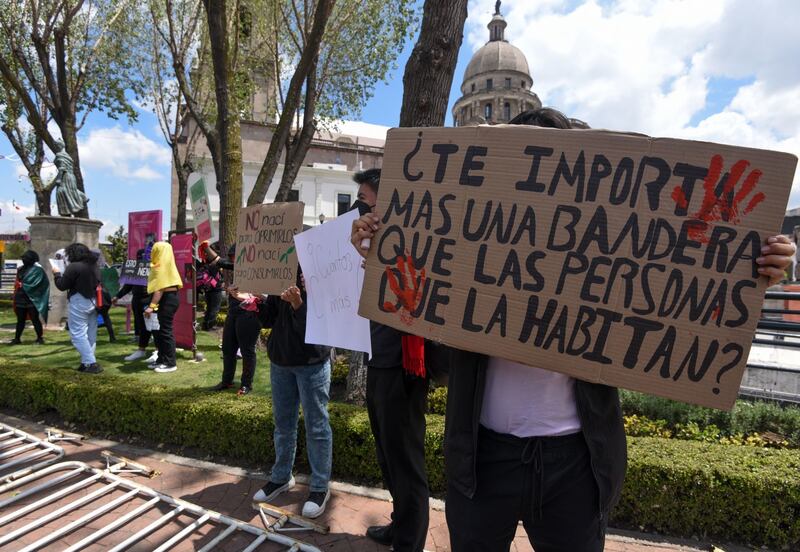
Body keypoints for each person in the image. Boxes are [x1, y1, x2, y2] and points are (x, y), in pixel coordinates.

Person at [350, 108, 798, 552]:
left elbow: (686, 296)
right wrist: (386, 258)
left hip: (576, 462)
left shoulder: (607, 258)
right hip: (481, 457)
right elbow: (438, 361)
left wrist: (756, 267)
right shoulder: (470, 260)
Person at [349, 168, 430, 551]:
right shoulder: (376, 241)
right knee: (387, 452)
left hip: (404, 363)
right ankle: (400, 525)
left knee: (405, 459)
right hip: (379, 357)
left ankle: (410, 542)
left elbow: (408, 289)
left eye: (367, 200)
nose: (361, 207)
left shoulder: (414, 241)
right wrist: (360, 247)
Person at [252, 271, 334, 520]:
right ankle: (281, 477)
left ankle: (320, 487)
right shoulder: (280, 269)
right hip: (281, 361)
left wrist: (299, 304)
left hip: (312, 362)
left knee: (317, 427)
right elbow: (269, 320)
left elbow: (325, 321)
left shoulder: (321, 269)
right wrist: (258, 300)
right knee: (283, 424)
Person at [199, 243, 260, 395]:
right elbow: (219, 260)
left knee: (247, 351)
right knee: (228, 348)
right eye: (231, 257)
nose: (232, 260)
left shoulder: (256, 268)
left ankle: (246, 384)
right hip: (233, 312)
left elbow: (220, 261)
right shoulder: (235, 267)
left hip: (249, 314)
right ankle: (227, 381)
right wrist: (205, 246)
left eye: (235, 257)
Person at [52, 243, 103, 374]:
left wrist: (57, 274)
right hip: (94, 301)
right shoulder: (93, 265)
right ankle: (86, 362)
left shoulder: (74, 266)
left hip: (79, 301)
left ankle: (91, 363)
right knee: (90, 334)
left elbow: (62, 285)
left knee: (77, 334)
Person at [113, 249, 157, 363]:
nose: (140, 260)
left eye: (143, 257)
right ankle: (141, 350)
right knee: (142, 327)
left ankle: (158, 351)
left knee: (154, 326)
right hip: (137, 300)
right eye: (139, 258)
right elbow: (127, 286)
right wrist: (117, 296)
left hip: (149, 300)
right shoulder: (134, 268)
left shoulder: (155, 268)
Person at [144, 241, 182, 373]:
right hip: (170, 299)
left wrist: (151, 306)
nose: (151, 253)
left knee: (165, 331)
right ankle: (161, 359)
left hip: (167, 299)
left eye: (154, 250)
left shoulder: (161, 267)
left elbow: (159, 289)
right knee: (161, 332)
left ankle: (170, 363)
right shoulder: (167, 264)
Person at [10, 250, 49, 345]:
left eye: (26, 258)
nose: (23, 260)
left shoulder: (38, 270)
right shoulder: (20, 269)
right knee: (20, 320)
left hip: (32, 298)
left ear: (31, 260)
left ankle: (40, 338)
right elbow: (17, 282)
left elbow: (41, 283)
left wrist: (24, 285)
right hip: (20, 297)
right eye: (23, 258)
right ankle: (17, 338)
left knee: (35, 319)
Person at [197, 242, 224, 331]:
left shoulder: (205, 262)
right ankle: (210, 326)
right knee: (214, 309)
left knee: (209, 308)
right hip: (216, 289)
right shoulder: (216, 263)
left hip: (208, 289)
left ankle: (205, 325)